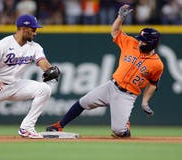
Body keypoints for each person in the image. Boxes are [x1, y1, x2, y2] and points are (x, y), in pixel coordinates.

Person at [46, 4, 164, 138]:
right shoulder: (131, 43)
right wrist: (120, 17)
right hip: (111, 86)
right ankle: (59, 125)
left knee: (119, 132)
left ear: (152, 43)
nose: (139, 42)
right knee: (83, 102)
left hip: (127, 95)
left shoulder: (157, 64)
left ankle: (124, 125)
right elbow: (115, 31)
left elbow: (153, 84)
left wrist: (145, 102)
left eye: (143, 41)